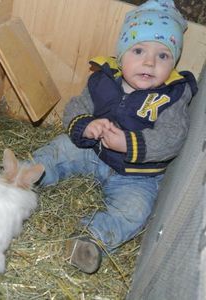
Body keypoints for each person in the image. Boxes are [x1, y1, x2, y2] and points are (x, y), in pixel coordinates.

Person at [31, 0, 198, 274]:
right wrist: (86, 125)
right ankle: (28, 175)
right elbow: (77, 105)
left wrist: (129, 143)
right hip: (93, 151)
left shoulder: (172, 96)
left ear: (174, 63)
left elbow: (172, 138)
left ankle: (92, 239)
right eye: (139, 50)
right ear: (121, 55)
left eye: (163, 56)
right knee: (60, 149)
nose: (149, 61)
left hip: (137, 176)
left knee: (135, 211)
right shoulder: (103, 80)